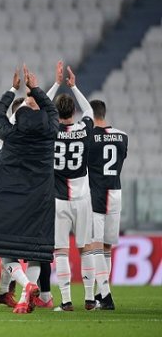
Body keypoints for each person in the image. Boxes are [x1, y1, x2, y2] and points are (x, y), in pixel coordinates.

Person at [0, 66, 58, 315]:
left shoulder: (10, 134)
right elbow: (52, 111)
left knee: (6, 248)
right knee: (36, 252)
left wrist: (13, 89)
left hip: (10, 197)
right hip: (41, 199)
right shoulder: (50, 132)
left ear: (18, 117)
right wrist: (36, 89)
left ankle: (25, 286)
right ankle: (29, 292)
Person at [46, 64, 96, 312]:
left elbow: (42, 107)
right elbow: (89, 110)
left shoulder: (50, 130)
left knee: (61, 250)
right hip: (82, 198)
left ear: (55, 113)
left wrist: (56, 83)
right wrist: (74, 85)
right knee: (86, 248)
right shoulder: (84, 129)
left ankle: (66, 301)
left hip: (58, 200)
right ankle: (89, 299)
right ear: (73, 111)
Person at [87, 99, 128, 310]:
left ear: (91, 114)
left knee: (95, 245)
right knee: (106, 248)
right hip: (115, 192)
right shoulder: (123, 136)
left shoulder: (89, 138)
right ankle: (103, 294)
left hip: (96, 193)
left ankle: (106, 295)